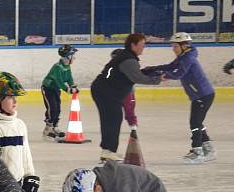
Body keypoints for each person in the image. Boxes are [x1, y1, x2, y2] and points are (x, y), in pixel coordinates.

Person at [143, 32, 216, 164]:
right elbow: (171, 67)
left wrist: (162, 74)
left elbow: (179, 73)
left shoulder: (188, 58)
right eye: (173, 46)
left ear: (185, 45)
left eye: (176, 46)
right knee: (197, 122)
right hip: (200, 95)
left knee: (195, 123)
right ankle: (208, 149)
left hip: (202, 95)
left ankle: (197, 151)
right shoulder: (184, 57)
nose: (173, 49)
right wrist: (153, 68)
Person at [90, 33, 163, 162]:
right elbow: (137, 77)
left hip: (105, 91)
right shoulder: (128, 59)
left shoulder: (127, 57)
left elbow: (134, 74)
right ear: (133, 45)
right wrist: (158, 79)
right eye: (141, 45)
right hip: (106, 92)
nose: (143, 48)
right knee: (113, 119)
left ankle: (107, 150)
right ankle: (108, 151)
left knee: (111, 119)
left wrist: (150, 72)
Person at [41, 44, 79, 140]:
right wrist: (68, 90)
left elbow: (69, 78)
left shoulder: (66, 66)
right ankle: (47, 130)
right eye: (72, 55)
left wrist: (72, 86)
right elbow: (59, 81)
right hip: (47, 89)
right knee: (52, 108)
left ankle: (55, 127)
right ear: (67, 56)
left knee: (58, 108)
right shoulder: (57, 67)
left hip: (56, 89)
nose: (74, 57)